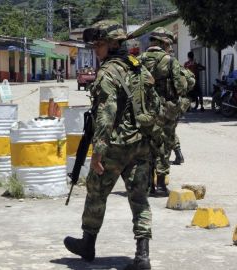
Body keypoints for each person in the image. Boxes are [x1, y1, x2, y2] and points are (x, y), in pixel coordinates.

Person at [64, 20, 155, 270]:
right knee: (139, 199)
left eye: (100, 44)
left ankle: (88, 243)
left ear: (114, 44)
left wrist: (98, 153)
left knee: (96, 192)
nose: (96, 49)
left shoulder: (108, 72)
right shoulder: (139, 68)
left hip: (115, 144)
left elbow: (106, 113)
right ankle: (142, 256)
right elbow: (153, 104)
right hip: (141, 143)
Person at [138, 27, 189, 196]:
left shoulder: (139, 59)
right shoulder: (169, 60)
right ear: (164, 42)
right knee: (164, 145)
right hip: (165, 110)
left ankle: (147, 185)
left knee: (147, 146)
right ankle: (160, 185)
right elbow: (180, 87)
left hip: (144, 109)